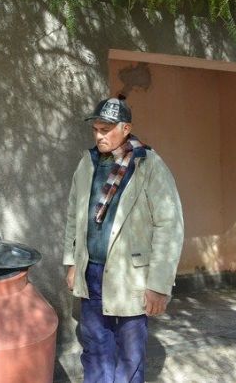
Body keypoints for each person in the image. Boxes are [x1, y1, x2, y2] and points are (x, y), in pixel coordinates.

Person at [63, 95, 184, 383]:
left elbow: (169, 226)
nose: (99, 136)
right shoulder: (88, 163)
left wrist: (159, 285)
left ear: (126, 128)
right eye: (96, 130)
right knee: (95, 346)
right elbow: (73, 216)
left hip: (132, 274)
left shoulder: (148, 165)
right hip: (91, 270)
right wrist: (72, 261)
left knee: (130, 351)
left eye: (106, 130)